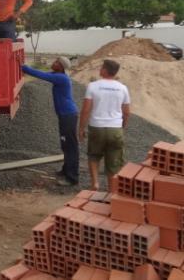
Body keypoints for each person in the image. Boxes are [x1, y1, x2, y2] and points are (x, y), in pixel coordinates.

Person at [22, 57, 80, 186]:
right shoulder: (57, 74)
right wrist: (27, 69)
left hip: (68, 116)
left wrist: (23, 67)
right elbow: (41, 73)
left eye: (56, 62)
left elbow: (40, 74)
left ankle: (72, 178)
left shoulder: (61, 78)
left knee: (71, 147)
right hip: (65, 115)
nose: (53, 63)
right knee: (66, 145)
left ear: (61, 66)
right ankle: (66, 171)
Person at [78, 59, 130, 191]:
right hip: (115, 129)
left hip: (97, 127)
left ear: (106, 70)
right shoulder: (123, 88)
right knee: (114, 162)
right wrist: (122, 126)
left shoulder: (93, 86)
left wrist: (81, 128)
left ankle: (95, 184)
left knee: (94, 155)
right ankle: (112, 191)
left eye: (101, 67)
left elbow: (85, 110)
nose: (100, 69)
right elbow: (127, 112)